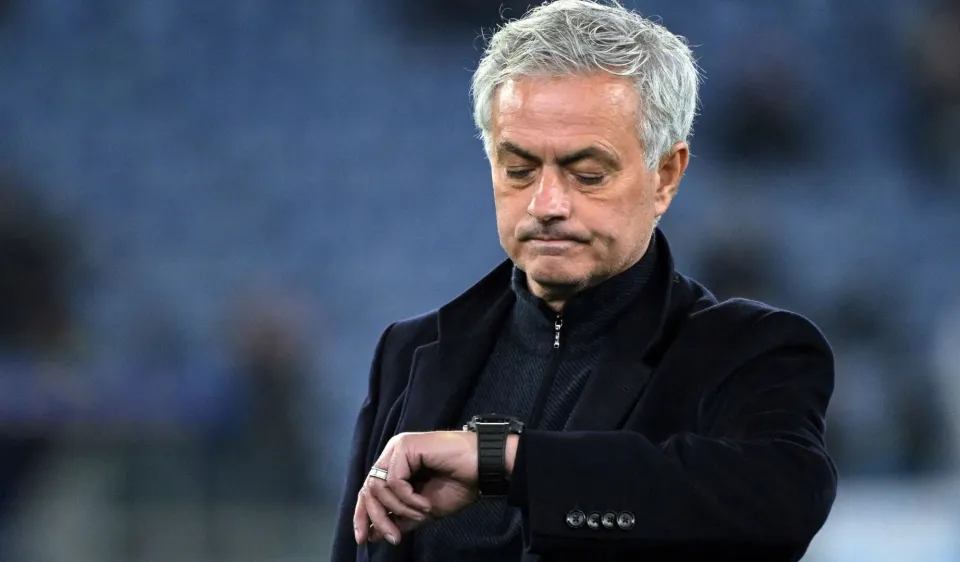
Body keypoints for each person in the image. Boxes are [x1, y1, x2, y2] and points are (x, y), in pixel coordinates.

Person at [330, 1, 837, 560]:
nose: (547, 204)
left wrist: (501, 460)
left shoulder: (748, 351)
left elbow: (780, 503)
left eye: (587, 174)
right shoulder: (407, 354)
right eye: (518, 169)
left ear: (665, 175)